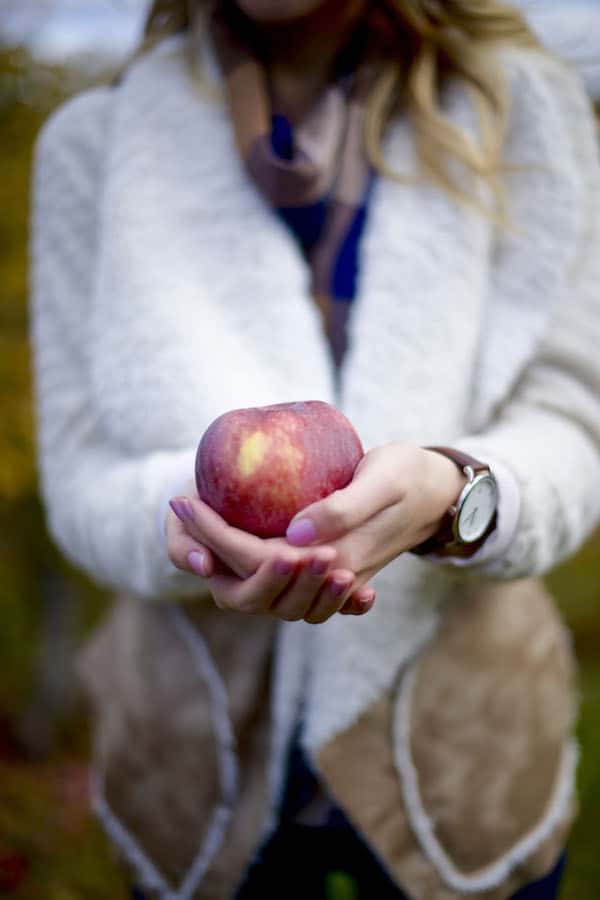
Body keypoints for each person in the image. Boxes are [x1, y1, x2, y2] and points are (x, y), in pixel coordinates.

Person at [29, 0, 600, 898]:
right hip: (193, 755)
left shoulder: (526, 111)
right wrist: (191, 520)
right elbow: (77, 473)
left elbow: (575, 421)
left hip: (467, 743)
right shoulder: (93, 146)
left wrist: (456, 495)